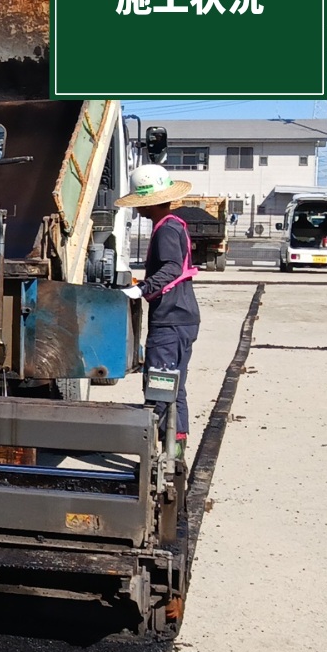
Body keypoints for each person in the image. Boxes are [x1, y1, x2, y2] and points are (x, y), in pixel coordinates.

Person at [118, 163, 200, 457]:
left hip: (171, 320)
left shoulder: (166, 229)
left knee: (161, 385)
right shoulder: (174, 224)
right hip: (183, 317)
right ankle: (175, 451)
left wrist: (142, 289)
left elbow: (172, 267)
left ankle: (166, 452)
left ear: (149, 202)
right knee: (174, 387)